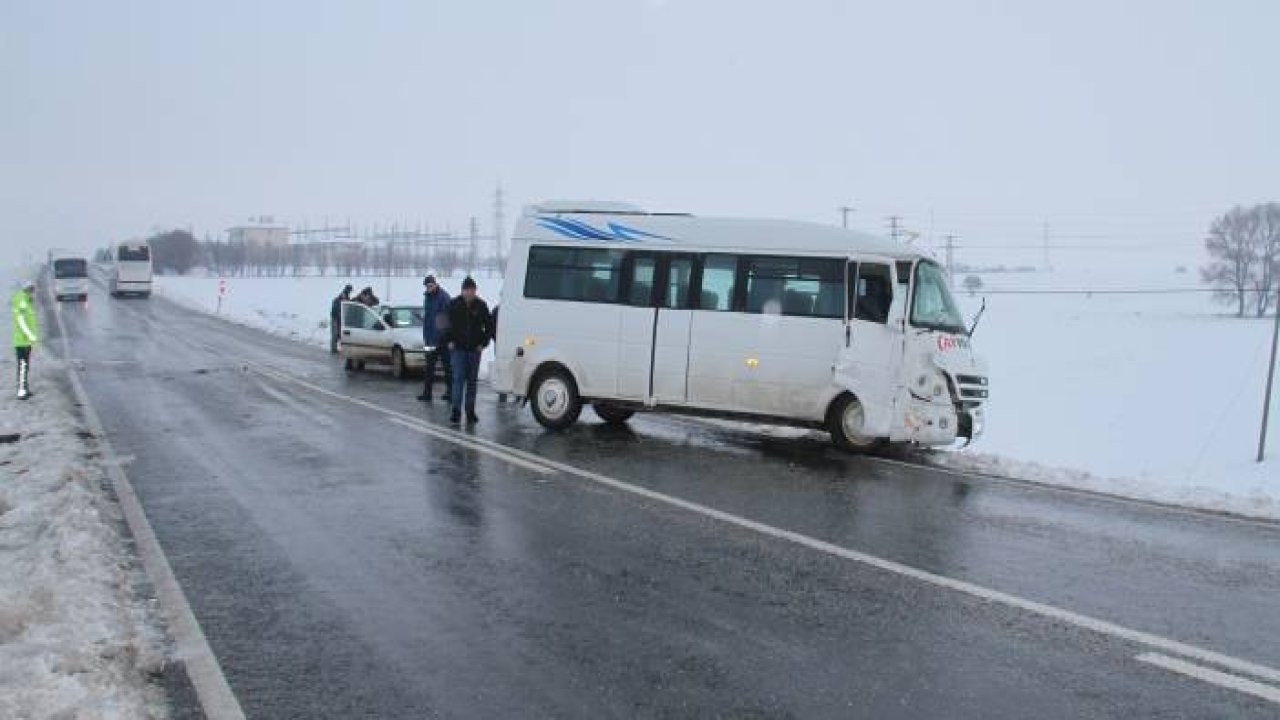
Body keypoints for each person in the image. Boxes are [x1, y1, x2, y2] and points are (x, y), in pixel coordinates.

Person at [442, 277, 492, 424]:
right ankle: (456, 411)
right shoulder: (453, 304)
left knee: (471, 382)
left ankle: (470, 411)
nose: (470, 293)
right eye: (467, 290)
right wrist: (449, 340)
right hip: (457, 349)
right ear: (462, 290)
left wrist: (483, 343)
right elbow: (442, 323)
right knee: (458, 379)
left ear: (475, 291)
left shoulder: (481, 305)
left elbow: (489, 326)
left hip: (474, 350)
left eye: (472, 290)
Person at [417, 275, 452, 403]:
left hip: (442, 339)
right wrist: (426, 337)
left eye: (431, 285)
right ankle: (427, 393)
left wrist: (442, 337)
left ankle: (451, 392)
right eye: (427, 286)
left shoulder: (443, 297)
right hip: (429, 339)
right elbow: (428, 318)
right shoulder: (427, 298)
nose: (429, 288)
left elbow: (445, 319)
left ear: (435, 284)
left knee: (447, 366)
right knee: (429, 367)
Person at [12, 281, 39, 400]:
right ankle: (22, 392)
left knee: (25, 366)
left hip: (25, 342)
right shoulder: (22, 301)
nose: (33, 292)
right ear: (28, 289)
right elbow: (21, 321)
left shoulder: (26, 301)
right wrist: (30, 335)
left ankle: (24, 389)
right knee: (23, 366)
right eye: (32, 289)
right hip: (22, 341)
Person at [329, 284, 353, 354]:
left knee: (339, 334)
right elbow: (335, 309)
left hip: (341, 319)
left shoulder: (346, 297)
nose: (350, 291)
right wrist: (339, 315)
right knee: (335, 334)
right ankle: (333, 349)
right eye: (349, 290)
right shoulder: (339, 298)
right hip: (335, 318)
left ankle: (336, 348)